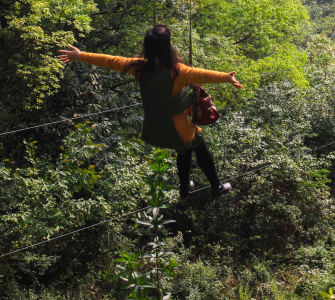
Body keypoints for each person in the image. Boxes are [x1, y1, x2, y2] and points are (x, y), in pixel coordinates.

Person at [58, 24, 241, 199]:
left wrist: (80, 55)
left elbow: (109, 61)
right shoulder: (176, 71)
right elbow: (201, 75)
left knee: (183, 149)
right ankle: (216, 186)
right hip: (177, 129)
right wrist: (226, 77)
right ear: (167, 47)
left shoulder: (139, 67)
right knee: (198, 144)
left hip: (154, 130)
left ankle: (185, 186)